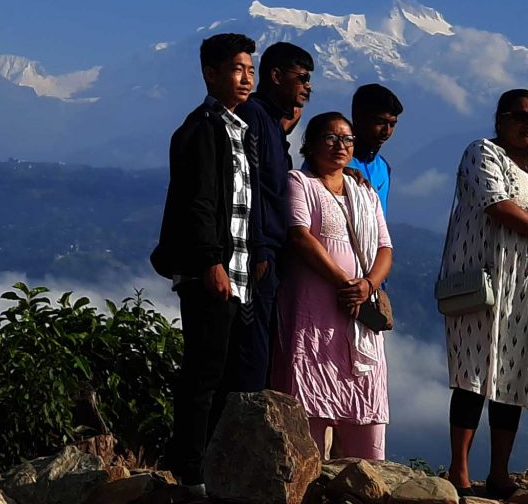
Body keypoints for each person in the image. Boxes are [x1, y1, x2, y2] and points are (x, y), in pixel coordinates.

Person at [440, 89, 528, 498]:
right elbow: (498, 205)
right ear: (500, 120)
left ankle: (500, 472)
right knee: (473, 374)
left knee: (514, 374)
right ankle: (459, 471)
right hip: (484, 279)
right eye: (520, 116)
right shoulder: (483, 152)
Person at [150, 32, 264, 485]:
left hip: (238, 272)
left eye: (250, 70)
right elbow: (199, 202)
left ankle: (216, 468)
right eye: (237, 69)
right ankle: (190, 472)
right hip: (211, 273)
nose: (245, 78)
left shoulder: (239, 129)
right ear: (210, 73)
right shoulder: (201, 129)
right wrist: (210, 262)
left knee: (227, 376)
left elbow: (241, 204)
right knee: (203, 375)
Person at [274, 111, 394, 459]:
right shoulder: (300, 183)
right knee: (309, 411)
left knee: (366, 426)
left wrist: (368, 285)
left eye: (347, 139)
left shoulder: (363, 191)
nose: (340, 146)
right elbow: (300, 235)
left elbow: (385, 248)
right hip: (316, 313)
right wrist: (346, 283)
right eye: (330, 138)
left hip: (359, 318)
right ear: (309, 145)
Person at [229, 40, 314, 390]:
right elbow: (250, 186)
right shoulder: (255, 118)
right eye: (302, 77)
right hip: (259, 256)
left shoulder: (271, 123)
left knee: (265, 345)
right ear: (276, 76)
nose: (307, 86)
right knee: (253, 349)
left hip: (272, 254)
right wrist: (260, 248)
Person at [351, 84, 405, 216]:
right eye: (380, 122)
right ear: (358, 118)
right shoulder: (331, 163)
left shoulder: (383, 166)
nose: (386, 131)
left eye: (392, 124)